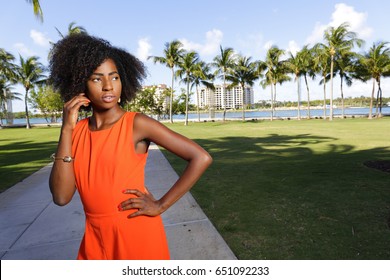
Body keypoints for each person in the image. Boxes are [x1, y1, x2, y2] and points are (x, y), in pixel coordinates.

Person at [48, 34, 212, 260]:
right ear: (80, 84)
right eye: (97, 79)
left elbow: (200, 157)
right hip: (94, 236)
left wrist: (161, 205)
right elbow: (61, 197)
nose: (108, 86)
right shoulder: (76, 132)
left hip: (136, 233)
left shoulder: (136, 124)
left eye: (114, 77)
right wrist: (66, 129)